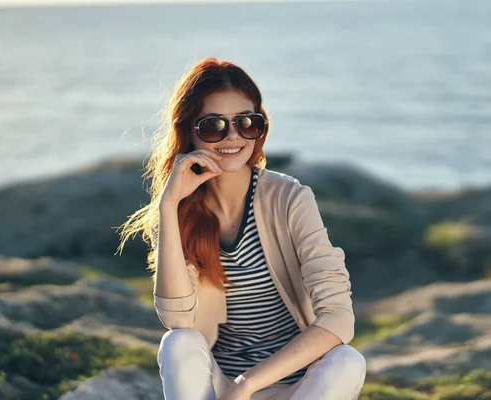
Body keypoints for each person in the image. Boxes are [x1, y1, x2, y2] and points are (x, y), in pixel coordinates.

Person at [116, 57, 366, 400]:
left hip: (296, 386)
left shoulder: (290, 198)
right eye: (213, 126)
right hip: (217, 388)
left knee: (347, 361)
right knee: (179, 343)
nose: (232, 137)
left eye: (247, 122)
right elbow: (177, 318)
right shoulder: (179, 211)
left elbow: (338, 318)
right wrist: (169, 206)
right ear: (189, 131)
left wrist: (247, 385)